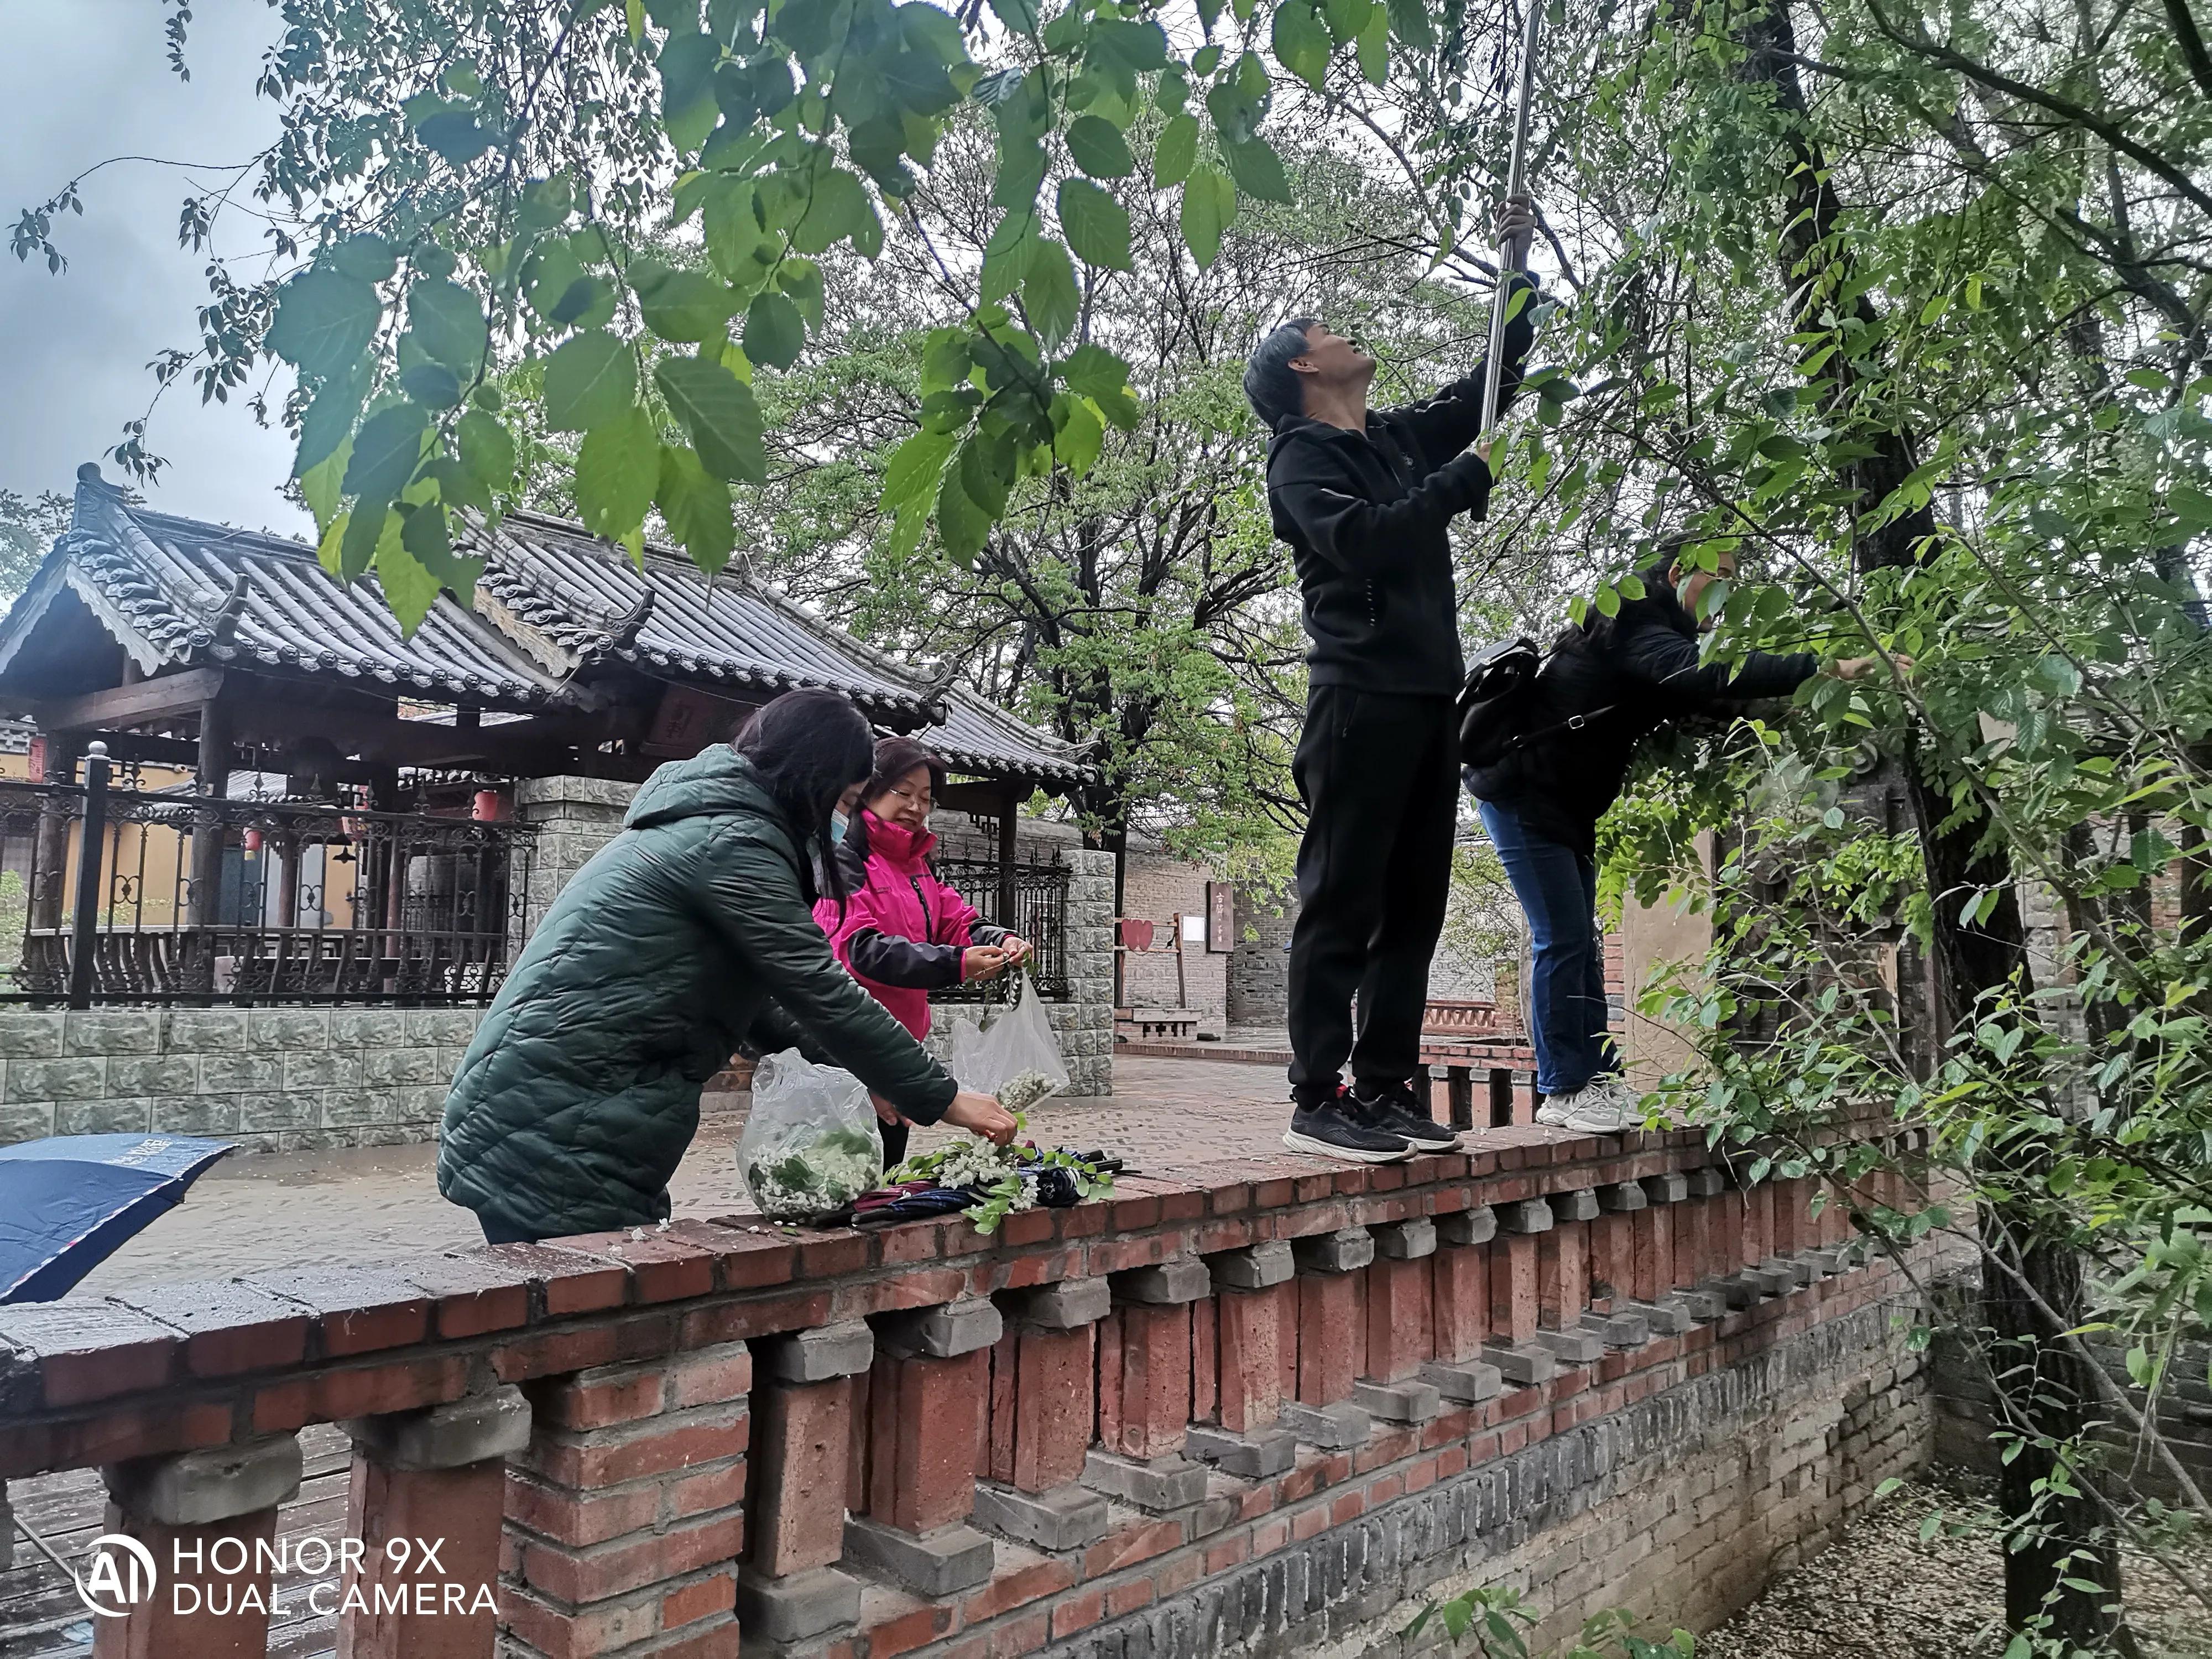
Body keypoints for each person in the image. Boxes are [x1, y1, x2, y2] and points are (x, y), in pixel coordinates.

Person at [438, 689, 1018, 1243]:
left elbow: (762, 1007)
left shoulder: (721, 826)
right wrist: (942, 1098)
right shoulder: (731, 842)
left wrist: (872, 1076)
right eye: (845, 802)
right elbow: (817, 987)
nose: (845, 821)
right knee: (591, 1317)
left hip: (575, 1112)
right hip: (557, 1121)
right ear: (808, 776)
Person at [1243, 196, 1540, 1162]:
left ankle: (1383, 1090)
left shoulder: (1397, 439)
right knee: (1343, 897)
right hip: (1358, 701)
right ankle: (1316, 1097)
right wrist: (1465, 481)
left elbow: (1484, 391)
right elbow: (1363, 540)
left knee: (1415, 903)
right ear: (1303, 364)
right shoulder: (1301, 459)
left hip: (1427, 700)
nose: (1344, 332)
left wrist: (1516, 272)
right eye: (1327, 328)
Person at [1464, 541, 1903, 1134]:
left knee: (1578, 941)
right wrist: (1827, 665)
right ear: (1677, 574)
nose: (1722, 597)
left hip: (1565, 806)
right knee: (1560, 939)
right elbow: (1707, 673)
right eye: (1714, 579)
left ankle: (1593, 1077)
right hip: (1522, 793)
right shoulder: (1634, 617)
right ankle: (1564, 1089)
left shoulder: (1659, 634)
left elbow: (1712, 696)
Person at [815, 735, 1035, 1167]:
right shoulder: (843, 861)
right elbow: (858, 951)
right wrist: (955, 964)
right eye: (904, 793)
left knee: (885, 1181)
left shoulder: (917, 864)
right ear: (868, 792)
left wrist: (999, 939)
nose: (916, 807)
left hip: (899, 1048)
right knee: (841, 1182)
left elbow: (956, 919)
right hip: (845, 1052)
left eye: (926, 798)